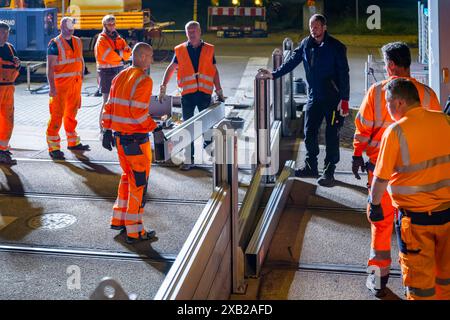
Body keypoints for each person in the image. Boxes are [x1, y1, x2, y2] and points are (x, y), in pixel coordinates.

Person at [353, 42, 442, 297]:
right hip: (418, 175)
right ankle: (414, 281)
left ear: (391, 65)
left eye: (385, 62)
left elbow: (363, 128)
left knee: (380, 226)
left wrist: (357, 155)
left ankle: (378, 278)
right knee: (414, 230)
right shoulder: (427, 94)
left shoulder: (376, 92)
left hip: (381, 173)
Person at [369, 78, 450, 300]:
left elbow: (381, 179)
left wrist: (374, 205)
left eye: (388, 102)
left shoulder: (395, 132)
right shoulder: (445, 121)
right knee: (446, 279)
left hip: (416, 223)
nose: (387, 107)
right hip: (448, 216)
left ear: (400, 103)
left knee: (420, 286)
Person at [259, 14, 350, 186]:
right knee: (309, 133)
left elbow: (344, 74)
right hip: (314, 97)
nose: (313, 30)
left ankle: (329, 171)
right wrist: (274, 74)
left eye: (316, 26)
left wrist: (344, 99)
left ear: (324, 27)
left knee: (331, 135)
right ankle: (311, 166)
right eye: (311, 26)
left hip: (333, 99)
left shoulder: (336, 47)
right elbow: (293, 61)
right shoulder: (306, 44)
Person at [101, 42, 159, 244]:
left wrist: (106, 130)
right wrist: (155, 127)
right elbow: (138, 112)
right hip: (136, 140)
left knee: (127, 178)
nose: (151, 60)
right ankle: (135, 231)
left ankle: (119, 219)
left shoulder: (120, 76)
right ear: (142, 57)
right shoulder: (144, 80)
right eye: (150, 56)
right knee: (138, 184)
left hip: (119, 138)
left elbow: (109, 106)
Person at [158, 21, 225, 171]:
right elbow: (171, 68)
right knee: (187, 128)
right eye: (189, 31)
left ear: (200, 31)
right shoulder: (180, 50)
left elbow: (214, 71)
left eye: (194, 31)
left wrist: (219, 91)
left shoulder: (208, 49)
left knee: (207, 126)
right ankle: (189, 159)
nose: (192, 34)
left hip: (204, 94)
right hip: (187, 95)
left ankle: (213, 156)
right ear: (186, 33)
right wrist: (163, 87)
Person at [46, 17, 90, 160]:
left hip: (74, 86)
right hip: (60, 87)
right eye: (68, 25)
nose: (71, 28)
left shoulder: (77, 41)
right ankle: (54, 147)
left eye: (72, 25)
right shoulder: (55, 43)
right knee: (57, 116)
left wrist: (81, 78)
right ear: (62, 26)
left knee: (71, 115)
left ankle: (73, 142)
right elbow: (50, 68)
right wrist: (52, 88)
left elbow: (80, 60)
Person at [95, 15, 132, 132]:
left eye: (113, 23)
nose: (112, 26)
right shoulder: (101, 40)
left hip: (118, 71)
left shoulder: (118, 38)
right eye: (109, 24)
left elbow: (128, 52)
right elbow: (109, 57)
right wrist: (121, 56)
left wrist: (119, 54)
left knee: (118, 100)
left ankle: (114, 126)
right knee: (106, 101)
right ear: (104, 25)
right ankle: (103, 128)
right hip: (106, 72)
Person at [0, 21, 20, 165]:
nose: (5, 35)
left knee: (8, 120)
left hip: (8, 89)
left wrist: (18, 65)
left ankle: (3, 149)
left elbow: (17, 70)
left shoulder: (11, 48)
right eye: (2, 32)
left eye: (7, 32)